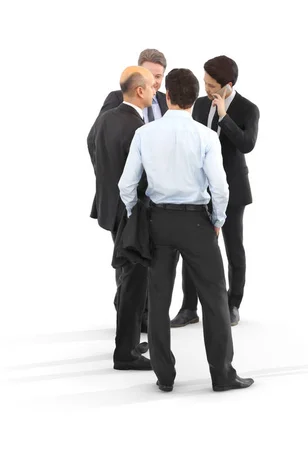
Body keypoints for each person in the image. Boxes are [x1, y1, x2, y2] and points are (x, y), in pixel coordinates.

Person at [118, 68, 254, 392]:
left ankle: (164, 377)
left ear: (167, 97)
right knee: (215, 301)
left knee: (159, 299)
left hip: (157, 221)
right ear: (195, 100)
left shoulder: (144, 134)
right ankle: (222, 375)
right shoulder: (206, 136)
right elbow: (220, 189)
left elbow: (126, 185)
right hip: (197, 223)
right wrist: (218, 220)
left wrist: (136, 214)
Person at [95, 48, 191, 332]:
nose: (156, 82)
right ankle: (127, 319)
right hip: (124, 198)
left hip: (158, 200)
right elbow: (96, 142)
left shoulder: (165, 101)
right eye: (150, 76)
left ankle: (144, 317)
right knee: (128, 260)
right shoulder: (117, 101)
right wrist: (112, 179)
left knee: (152, 261)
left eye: (159, 77)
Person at [170, 55, 260, 328]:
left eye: (211, 85)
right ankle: (188, 307)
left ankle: (233, 304)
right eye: (205, 83)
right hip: (198, 188)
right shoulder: (197, 105)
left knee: (233, 248)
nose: (206, 89)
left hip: (232, 189)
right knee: (193, 247)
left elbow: (247, 144)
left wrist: (223, 116)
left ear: (227, 85)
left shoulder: (247, 109)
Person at [87, 66, 156, 370]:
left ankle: (127, 341)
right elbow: (142, 178)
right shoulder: (138, 129)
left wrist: (105, 180)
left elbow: (92, 145)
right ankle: (125, 353)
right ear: (139, 90)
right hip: (131, 215)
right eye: (152, 87)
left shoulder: (105, 118)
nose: (156, 93)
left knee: (128, 278)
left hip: (109, 208)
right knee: (134, 281)